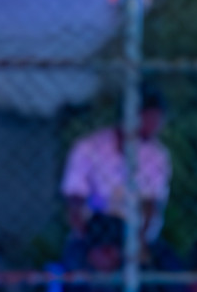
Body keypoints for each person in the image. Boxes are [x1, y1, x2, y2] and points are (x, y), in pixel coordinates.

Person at [61, 93, 172, 242]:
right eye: (151, 118)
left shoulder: (157, 155)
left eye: (159, 120)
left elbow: (151, 205)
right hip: (95, 229)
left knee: (169, 262)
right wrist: (87, 238)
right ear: (132, 115)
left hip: (136, 232)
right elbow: (75, 200)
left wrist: (140, 243)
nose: (156, 126)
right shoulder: (88, 148)